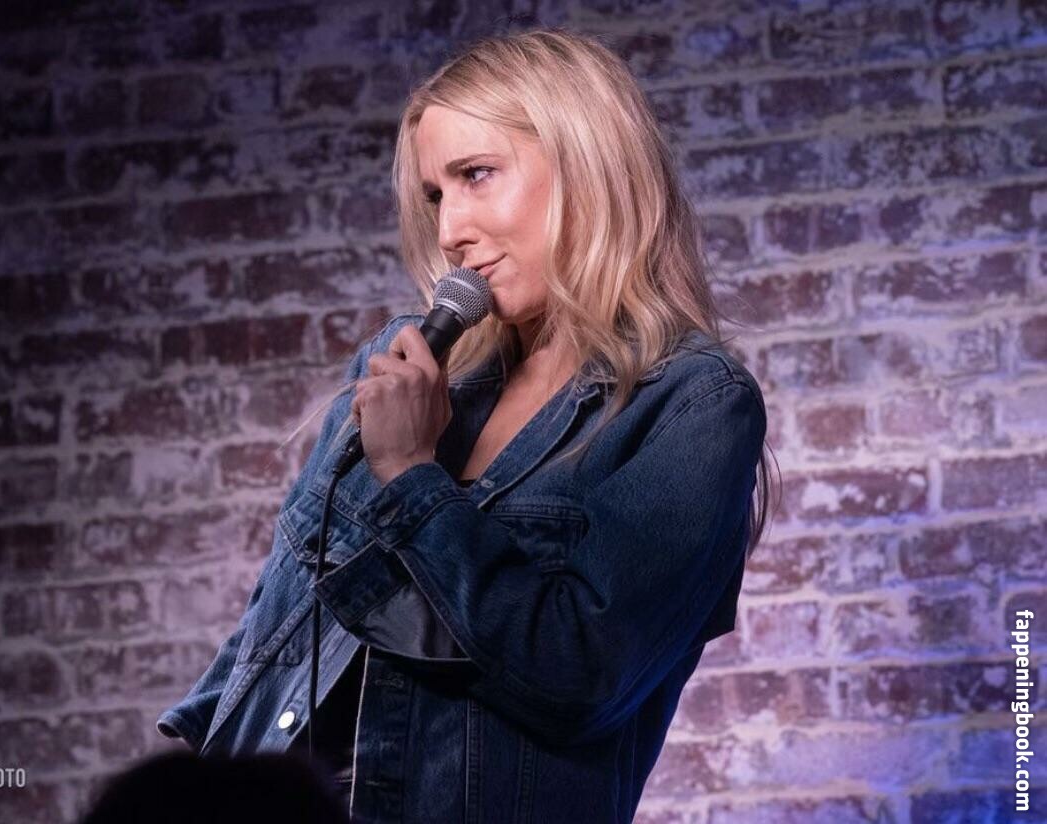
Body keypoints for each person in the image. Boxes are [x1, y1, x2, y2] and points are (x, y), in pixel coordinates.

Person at [156, 27, 778, 823]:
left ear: (589, 166)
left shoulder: (691, 403)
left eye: (476, 176)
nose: (450, 229)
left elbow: (581, 675)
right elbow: (266, 634)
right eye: (435, 196)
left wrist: (414, 476)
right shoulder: (410, 365)